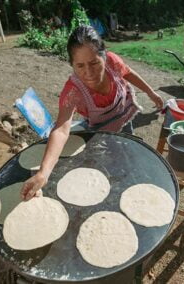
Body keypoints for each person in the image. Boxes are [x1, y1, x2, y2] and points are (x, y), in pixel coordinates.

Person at [21, 25, 163, 201]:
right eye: (80, 65)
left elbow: (128, 73)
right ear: (72, 65)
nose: (88, 72)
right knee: (107, 160)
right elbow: (62, 129)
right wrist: (43, 173)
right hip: (101, 128)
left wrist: (150, 92)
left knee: (126, 150)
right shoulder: (73, 91)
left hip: (124, 116)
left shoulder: (113, 62)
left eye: (94, 62)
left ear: (104, 56)